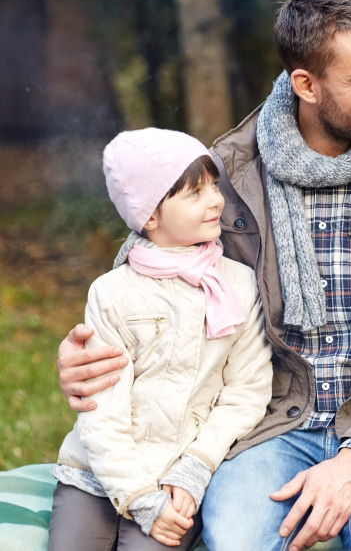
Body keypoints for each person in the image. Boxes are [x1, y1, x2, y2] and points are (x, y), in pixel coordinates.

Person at [55, 0, 351, 551]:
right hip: (271, 420)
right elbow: (148, 273)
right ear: (305, 84)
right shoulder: (229, 169)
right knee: (235, 539)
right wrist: (87, 355)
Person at [47, 128, 273, 550]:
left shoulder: (238, 285)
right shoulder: (113, 293)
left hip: (178, 476)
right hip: (97, 471)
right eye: (195, 193)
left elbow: (247, 390)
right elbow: (101, 408)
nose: (216, 200)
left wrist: (195, 468)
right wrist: (137, 497)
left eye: (213, 186)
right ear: (150, 216)